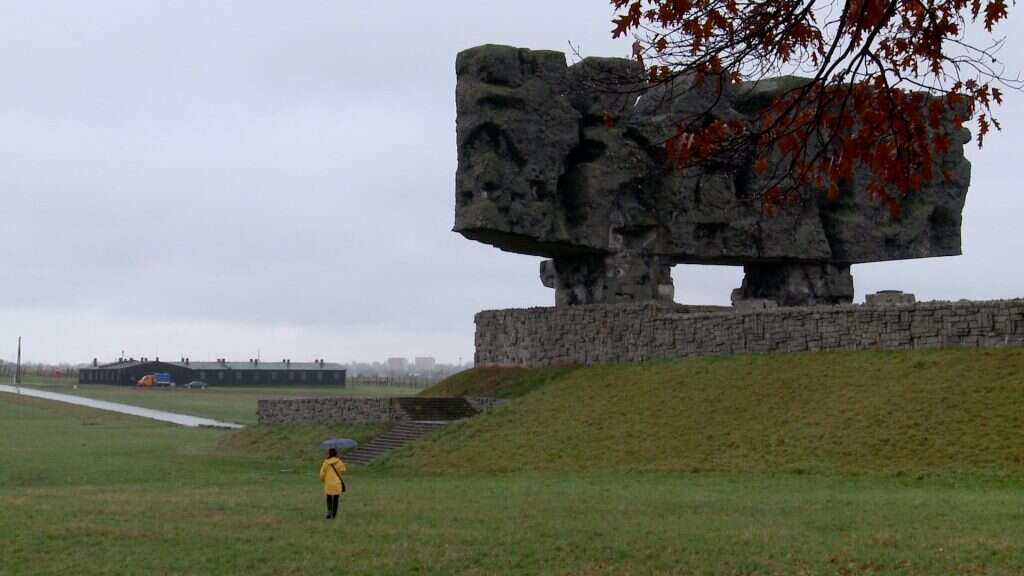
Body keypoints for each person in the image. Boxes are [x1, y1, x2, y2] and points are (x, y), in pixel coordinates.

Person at [318, 448, 346, 519]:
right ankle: (333, 515)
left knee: (329, 498)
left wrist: (323, 480)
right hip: (337, 484)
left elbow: (321, 474)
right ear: (336, 454)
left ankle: (329, 511)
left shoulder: (325, 463)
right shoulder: (339, 462)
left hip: (329, 483)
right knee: (336, 499)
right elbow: (343, 470)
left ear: (329, 454)